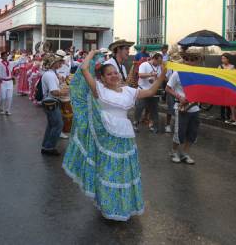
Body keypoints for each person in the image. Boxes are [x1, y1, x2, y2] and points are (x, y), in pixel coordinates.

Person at [63, 50, 166, 221]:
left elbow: (149, 92)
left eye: (115, 73)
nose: (113, 75)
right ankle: (108, 206)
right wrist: (93, 53)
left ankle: (123, 206)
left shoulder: (128, 91)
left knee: (124, 171)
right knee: (108, 172)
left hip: (125, 137)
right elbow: (84, 69)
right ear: (102, 78)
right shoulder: (99, 89)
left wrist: (162, 75)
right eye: (109, 74)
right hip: (106, 137)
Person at [166, 51, 201, 165]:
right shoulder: (177, 73)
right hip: (181, 107)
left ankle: (185, 153)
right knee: (179, 132)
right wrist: (179, 97)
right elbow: (168, 88)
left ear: (197, 61)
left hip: (195, 107)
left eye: (193, 60)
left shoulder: (199, 74)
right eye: (188, 60)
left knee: (192, 133)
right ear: (184, 60)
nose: (190, 62)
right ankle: (174, 152)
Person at [40, 54, 69, 156]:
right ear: (53, 63)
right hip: (51, 101)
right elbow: (54, 92)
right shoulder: (50, 75)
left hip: (49, 102)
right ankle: (49, 147)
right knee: (58, 124)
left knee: (52, 125)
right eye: (58, 62)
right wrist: (65, 92)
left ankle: (46, 145)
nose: (60, 63)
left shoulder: (51, 74)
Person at [133, 53, 163, 133]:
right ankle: (135, 123)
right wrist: (150, 74)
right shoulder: (144, 64)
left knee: (154, 110)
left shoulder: (159, 67)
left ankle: (152, 126)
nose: (159, 63)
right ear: (154, 59)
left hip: (153, 91)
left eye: (161, 62)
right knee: (139, 108)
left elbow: (159, 78)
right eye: (159, 61)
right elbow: (140, 75)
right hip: (143, 90)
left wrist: (156, 79)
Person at [218, 53, 235, 123]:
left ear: (228, 59)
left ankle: (228, 116)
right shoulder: (220, 66)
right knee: (222, 102)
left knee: (228, 102)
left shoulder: (232, 67)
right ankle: (222, 116)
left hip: (229, 87)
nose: (223, 60)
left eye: (224, 58)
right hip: (222, 86)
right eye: (222, 58)